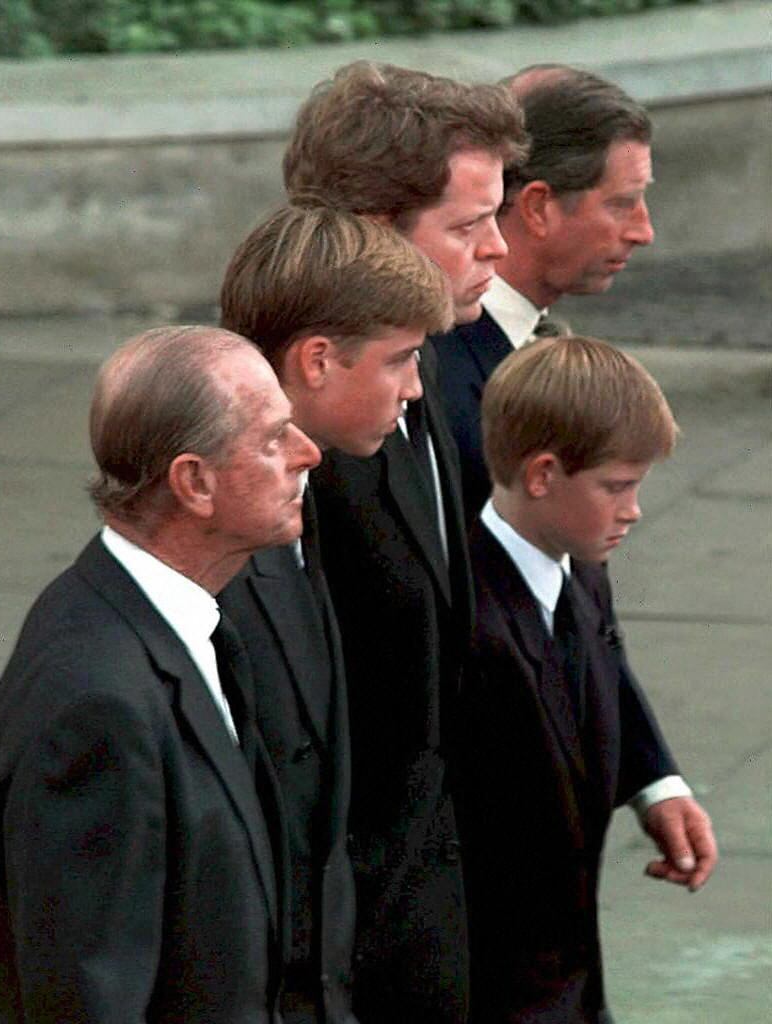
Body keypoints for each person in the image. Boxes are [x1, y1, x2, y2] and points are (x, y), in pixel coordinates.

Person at [0, 326, 320, 1023]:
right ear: (194, 482)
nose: (309, 454)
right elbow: (88, 998)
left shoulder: (178, 623)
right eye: (275, 439)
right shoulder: (97, 706)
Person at [283, 61, 528, 1024]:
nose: (498, 251)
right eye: (469, 228)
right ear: (376, 234)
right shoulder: (304, 457)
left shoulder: (429, 375)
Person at [218, 204, 453, 1024]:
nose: (418, 388)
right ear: (317, 360)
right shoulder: (228, 558)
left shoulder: (304, 505)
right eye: (401, 360)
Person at [459, 334, 718, 1023]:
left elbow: (605, 675)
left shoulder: (583, 574)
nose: (632, 509)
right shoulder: (470, 628)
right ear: (542, 474)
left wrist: (652, 783)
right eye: (616, 487)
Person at [432, 65, 657, 524]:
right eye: (620, 204)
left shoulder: (505, 344)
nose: (644, 231)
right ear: (537, 208)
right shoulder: (436, 375)